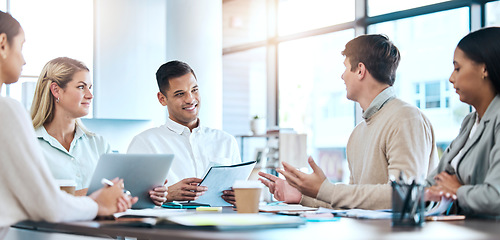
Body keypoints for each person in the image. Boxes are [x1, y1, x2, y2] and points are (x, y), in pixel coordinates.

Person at [259, 34, 438, 210]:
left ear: (360, 70)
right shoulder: (358, 133)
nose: (342, 76)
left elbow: (404, 195)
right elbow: (354, 200)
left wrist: (324, 189)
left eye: (345, 68)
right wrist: (301, 196)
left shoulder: (405, 118)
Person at [0, 10, 137, 238]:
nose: (24, 59)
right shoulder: (8, 112)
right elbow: (45, 204)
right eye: (21, 46)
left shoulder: (98, 143)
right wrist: (98, 203)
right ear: (2, 43)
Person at [127, 60, 241, 205]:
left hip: (222, 223)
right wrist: (167, 195)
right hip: (170, 226)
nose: (190, 99)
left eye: (194, 90)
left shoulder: (226, 141)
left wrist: (238, 196)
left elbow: (239, 195)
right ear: (162, 99)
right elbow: (131, 201)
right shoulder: (145, 143)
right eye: (180, 94)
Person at [424, 27, 500, 217]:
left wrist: (458, 191)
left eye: (458, 68)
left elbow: (496, 196)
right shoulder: (470, 122)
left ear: (484, 68)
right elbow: (439, 179)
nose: (451, 78)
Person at [30, 57, 110, 196]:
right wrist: (89, 195)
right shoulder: (28, 144)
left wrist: (147, 194)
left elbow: (117, 191)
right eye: (81, 87)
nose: (90, 95)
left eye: (89, 87)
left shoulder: (98, 144)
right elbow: (29, 198)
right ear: (56, 90)